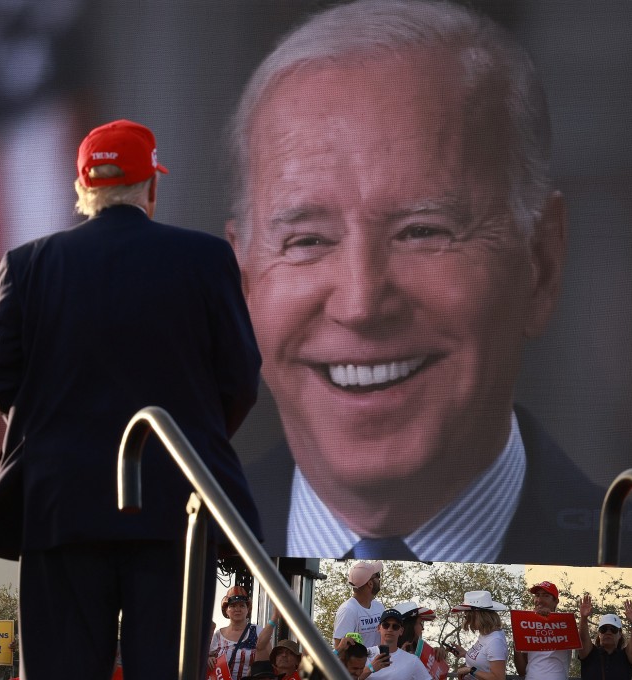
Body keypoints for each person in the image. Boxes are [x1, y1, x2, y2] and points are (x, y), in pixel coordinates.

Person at [228, 0, 603, 564]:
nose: (360, 304)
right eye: (307, 241)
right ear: (243, 285)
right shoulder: (143, 574)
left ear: (541, 262)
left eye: (422, 231)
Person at [0, 118, 263, 679]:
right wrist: (188, 444)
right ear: (151, 186)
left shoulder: (29, 264)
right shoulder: (204, 258)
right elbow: (240, 377)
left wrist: (60, 438)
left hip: (60, 506)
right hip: (177, 504)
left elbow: (1, 377)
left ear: (84, 190)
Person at [209, 586, 275, 680]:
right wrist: (209, 659)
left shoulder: (257, 631)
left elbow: (270, 660)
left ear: (247, 610)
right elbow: (210, 657)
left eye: (242, 605)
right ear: (226, 610)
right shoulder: (218, 635)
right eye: (233, 606)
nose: (237, 609)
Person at [514, 582, 570, 680]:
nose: (539, 600)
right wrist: (517, 640)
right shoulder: (528, 626)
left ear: (556, 601)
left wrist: (550, 618)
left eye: (545, 596)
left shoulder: (566, 624)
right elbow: (521, 671)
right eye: (537, 595)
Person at [577, 594, 632, 680]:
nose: (608, 632)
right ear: (599, 633)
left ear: (620, 633)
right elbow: (583, 639)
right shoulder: (590, 654)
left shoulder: (626, 657)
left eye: (613, 629)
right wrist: (584, 618)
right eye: (604, 629)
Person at [450, 591, 508, 680]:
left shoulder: (495, 641)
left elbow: (498, 678)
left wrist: (470, 670)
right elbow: (484, 660)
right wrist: (465, 654)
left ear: (478, 616)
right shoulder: (486, 634)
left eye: (467, 616)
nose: (467, 621)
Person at [363, 608, 431, 680]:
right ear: (379, 628)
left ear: (401, 631)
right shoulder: (364, 654)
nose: (390, 629)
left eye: (395, 626)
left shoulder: (412, 660)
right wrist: (370, 668)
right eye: (386, 625)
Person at [333, 561, 385, 648]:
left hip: (379, 661)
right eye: (378, 575)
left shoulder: (379, 607)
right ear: (370, 584)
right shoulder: (348, 611)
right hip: (362, 662)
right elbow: (339, 648)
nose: (379, 580)